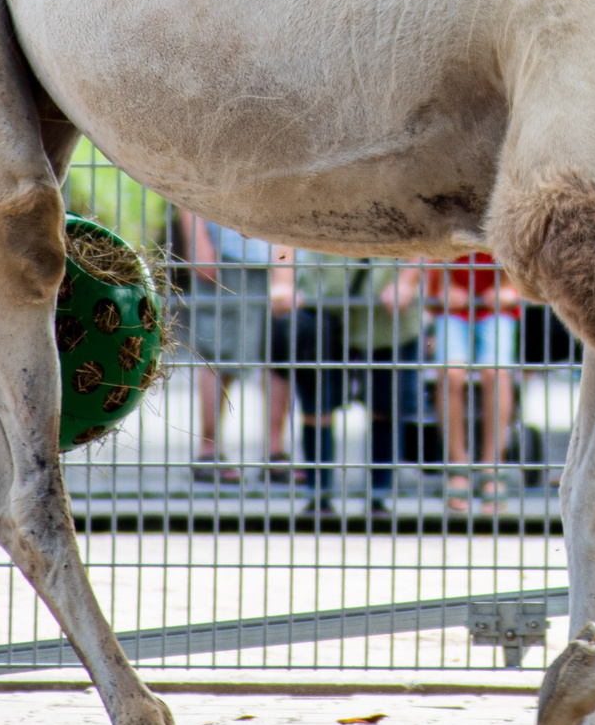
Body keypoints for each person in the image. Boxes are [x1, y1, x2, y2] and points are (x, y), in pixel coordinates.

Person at [269, 247, 424, 515]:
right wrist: (283, 280)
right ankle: (319, 498)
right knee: (318, 408)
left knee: (385, 406)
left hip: (387, 308)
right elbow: (283, 228)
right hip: (323, 300)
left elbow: (427, 227)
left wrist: (407, 280)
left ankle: (378, 500)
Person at [173, 208, 291, 483]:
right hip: (224, 255)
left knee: (280, 353)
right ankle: (209, 450)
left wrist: (286, 265)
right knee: (217, 354)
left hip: (273, 258)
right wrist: (197, 243)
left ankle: (275, 452)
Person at [427, 250, 524, 513]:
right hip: (454, 294)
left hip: (498, 293)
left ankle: (492, 467)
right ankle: (457, 466)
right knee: (450, 372)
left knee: (496, 371)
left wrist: (507, 285)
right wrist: (445, 285)